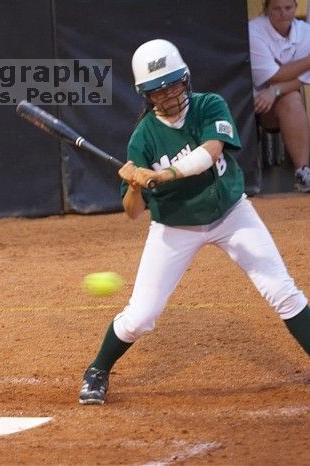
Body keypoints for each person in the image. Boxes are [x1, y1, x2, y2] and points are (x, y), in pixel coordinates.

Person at [78, 39, 310, 405]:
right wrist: (135, 184)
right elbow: (132, 211)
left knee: (282, 291)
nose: (169, 95)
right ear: (146, 95)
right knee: (141, 317)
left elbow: (210, 153)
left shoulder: (208, 106)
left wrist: (165, 175)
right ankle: (97, 370)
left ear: (185, 79)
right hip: (175, 227)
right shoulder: (143, 138)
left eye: (173, 84)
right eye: (159, 90)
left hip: (231, 214)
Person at [249, 0, 310, 192]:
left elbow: (302, 79)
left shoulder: (304, 32)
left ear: (295, 7)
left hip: (281, 99)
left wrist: (275, 89)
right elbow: (272, 75)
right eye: (276, 8)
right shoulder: (253, 30)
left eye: (288, 8)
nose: (283, 13)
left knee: (291, 97)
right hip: (254, 104)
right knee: (291, 95)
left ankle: (303, 173)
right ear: (266, 9)